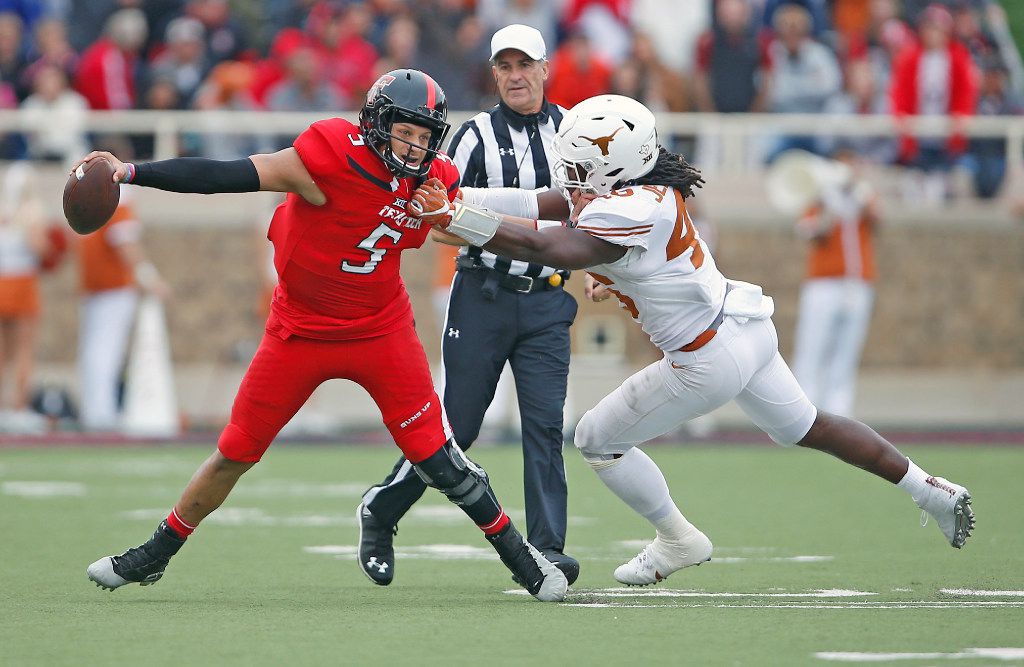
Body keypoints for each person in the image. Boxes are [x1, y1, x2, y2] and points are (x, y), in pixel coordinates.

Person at [409, 94, 975, 585]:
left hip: (707, 355)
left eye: (581, 167)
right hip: (746, 327)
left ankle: (677, 539)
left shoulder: (630, 206)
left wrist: (458, 217)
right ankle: (931, 490)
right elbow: (538, 204)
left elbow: (548, 246)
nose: (571, 178)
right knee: (809, 426)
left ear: (615, 167)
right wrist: (462, 198)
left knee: (596, 439)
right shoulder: (644, 182)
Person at [78, 69, 567, 603]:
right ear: (378, 123)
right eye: (406, 131)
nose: (416, 146)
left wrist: (468, 216)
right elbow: (228, 174)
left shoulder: (434, 181)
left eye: (427, 136)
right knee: (235, 451)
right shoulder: (330, 153)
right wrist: (130, 171)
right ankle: (154, 555)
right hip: (300, 331)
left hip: (380, 329)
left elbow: (479, 227)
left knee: (438, 455)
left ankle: (523, 560)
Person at [356, 25, 580, 588]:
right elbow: (438, 222)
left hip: (549, 298)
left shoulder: (574, 131)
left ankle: (547, 551)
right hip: (484, 295)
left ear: (544, 68)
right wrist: (513, 233)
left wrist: (600, 271)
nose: (515, 76)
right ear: (493, 73)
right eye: (504, 66)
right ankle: (384, 508)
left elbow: (590, 212)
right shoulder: (473, 135)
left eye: (524, 64)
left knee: (546, 427)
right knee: (456, 427)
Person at [77, 162, 170, 432]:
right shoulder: (118, 202)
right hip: (113, 287)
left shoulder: (89, 200)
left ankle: (95, 409)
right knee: (106, 351)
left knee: (95, 351)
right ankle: (101, 413)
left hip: (95, 287)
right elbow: (126, 245)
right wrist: (149, 278)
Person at [791, 149, 879, 418]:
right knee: (812, 348)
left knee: (846, 353)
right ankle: (802, 413)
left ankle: (840, 412)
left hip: (858, 282)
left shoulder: (862, 196)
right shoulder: (820, 198)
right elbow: (808, 231)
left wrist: (858, 198)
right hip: (824, 284)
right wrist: (829, 206)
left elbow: (879, 219)